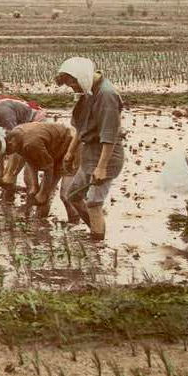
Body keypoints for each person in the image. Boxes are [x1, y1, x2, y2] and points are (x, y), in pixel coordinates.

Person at [55, 57, 125, 241]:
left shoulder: (106, 95)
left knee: (94, 202)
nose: (73, 89)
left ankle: (97, 242)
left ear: (82, 77)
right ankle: (95, 232)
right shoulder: (89, 93)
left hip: (106, 156)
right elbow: (81, 127)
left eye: (73, 84)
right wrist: (70, 152)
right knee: (74, 195)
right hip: (89, 154)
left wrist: (101, 167)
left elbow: (110, 135)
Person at [0, 121, 77, 217]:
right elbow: (31, 162)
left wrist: (43, 193)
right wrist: (35, 185)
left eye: (8, 151)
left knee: (65, 195)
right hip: (56, 150)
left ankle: (74, 222)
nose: (9, 154)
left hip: (71, 146)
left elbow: (49, 168)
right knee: (43, 191)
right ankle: (40, 220)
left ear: (11, 143)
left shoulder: (30, 143)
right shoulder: (17, 139)